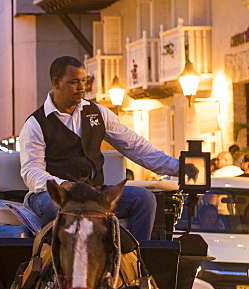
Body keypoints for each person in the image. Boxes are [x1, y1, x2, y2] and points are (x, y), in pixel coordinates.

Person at [19, 56, 180, 241]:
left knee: (144, 199)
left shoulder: (98, 113)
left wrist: (177, 167)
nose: (82, 87)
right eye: (74, 82)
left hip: (93, 192)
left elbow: (135, 146)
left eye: (83, 81)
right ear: (56, 83)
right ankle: (54, 262)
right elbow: (31, 171)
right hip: (53, 195)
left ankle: (134, 260)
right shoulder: (35, 124)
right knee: (53, 206)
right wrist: (61, 185)